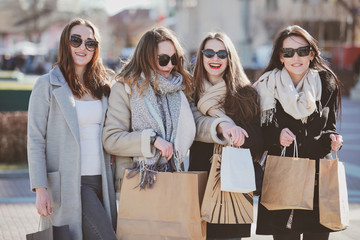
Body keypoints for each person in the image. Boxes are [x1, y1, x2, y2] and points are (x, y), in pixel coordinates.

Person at [27, 18, 117, 240]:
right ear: (65, 44)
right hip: (70, 183)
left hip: (103, 180)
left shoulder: (105, 86)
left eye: (90, 43)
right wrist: (40, 188)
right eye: (75, 40)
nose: (82, 47)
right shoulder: (46, 85)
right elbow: (36, 140)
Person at [253, 25, 343, 240]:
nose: (296, 57)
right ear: (280, 57)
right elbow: (258, 134)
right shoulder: (266, 87)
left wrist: (334, 139)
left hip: (317, 179)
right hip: (283, 177)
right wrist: (276, 136)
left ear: (311, 54)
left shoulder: (326, 83)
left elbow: (329, 126)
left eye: (302, 51)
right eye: (288, 52)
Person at [102, 27, 198, 191]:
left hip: (172, 181)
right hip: (137, 182)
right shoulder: (126, 89)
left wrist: (221, 127)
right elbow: (112, 139)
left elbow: (197, 122)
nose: (170, 65)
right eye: (163, 59)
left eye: (174, 59)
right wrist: (152, 140)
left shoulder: (179, 90)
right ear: (146, 59)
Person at [189, 32, 264, 239]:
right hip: (199, 180)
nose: (215, 59)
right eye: (209, 53)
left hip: (233, 185)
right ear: (201, 56)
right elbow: (190, 130)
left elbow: (259, 140)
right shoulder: (190, 92)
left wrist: (239, 135)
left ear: (230, 58)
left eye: (222, 54)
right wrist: (221, 127)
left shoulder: (246, 93)